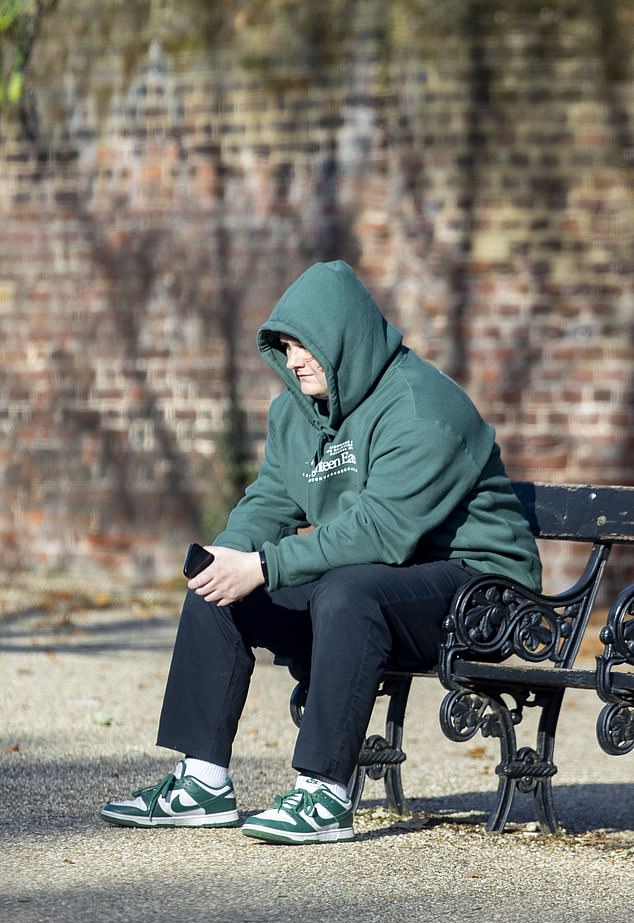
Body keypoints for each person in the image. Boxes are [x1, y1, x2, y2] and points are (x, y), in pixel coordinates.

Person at [100, 260, 541, 844]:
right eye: (284, 346)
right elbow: (269, 502)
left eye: (306, 345)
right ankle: (201, 782)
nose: (294, 359)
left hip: (483, 593)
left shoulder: (422, 408)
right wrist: (230, 556)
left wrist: (264, 565)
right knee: (219, 588)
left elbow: (384, 530)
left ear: (345, 339)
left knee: (346, 591)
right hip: (383, 581)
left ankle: (324, 794)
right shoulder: (296, 412)